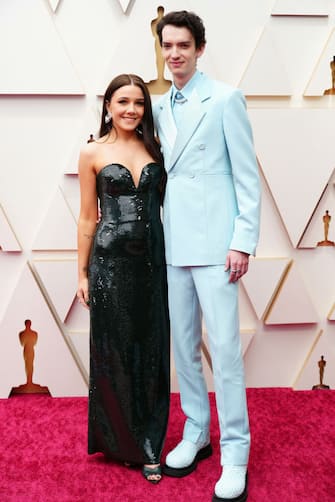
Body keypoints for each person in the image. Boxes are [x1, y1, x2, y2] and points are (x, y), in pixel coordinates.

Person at [153, 11, 261, 502]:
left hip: (218, 246)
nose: (174, 53)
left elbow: (246, 177)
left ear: (199, 48)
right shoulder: (156, 107)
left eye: (183, 45)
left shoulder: (224, 99)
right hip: (174, 244)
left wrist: (242, 240)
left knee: (224, 351)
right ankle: (197, 431)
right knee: (183, 347)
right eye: (167, 45)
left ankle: (235, 450)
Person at [76, 74, 170, 484]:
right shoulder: (92, 152)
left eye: (139, 103)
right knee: (113, 350)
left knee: (150, 350)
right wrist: (81, 270)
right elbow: (86, 216)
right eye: (123, 102)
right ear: (109, 106)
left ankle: (149, 441)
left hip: (153, 263)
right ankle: (120, 441)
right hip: (109, 264)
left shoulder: (157, 148)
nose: (132, 110)